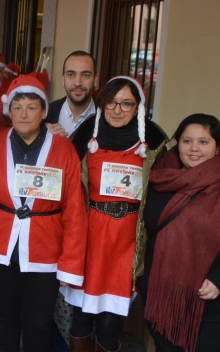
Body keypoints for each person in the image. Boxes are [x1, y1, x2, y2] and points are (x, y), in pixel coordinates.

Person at [0, 74, 87, 351]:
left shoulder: (64, 150)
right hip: (2, 248)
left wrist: (71, 263)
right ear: (9, 110)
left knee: (38, 323)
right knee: (6, 320)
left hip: (46, 251)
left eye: (32, 107)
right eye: (17, 107)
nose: (23, 114)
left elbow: (75, 211)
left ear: (44, 111)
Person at [139, 114, 220, 352]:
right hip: (161, 298)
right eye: (187, 141)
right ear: (178, 144)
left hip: (212, 306)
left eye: (203, 142)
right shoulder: (161, 179)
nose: (194, 149)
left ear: (217, 148)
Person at [64, 76, 168, 352]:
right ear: (102, 104)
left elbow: (171, 183)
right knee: (82, 316)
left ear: (138, 107)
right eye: (111, 102)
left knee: (111, 321)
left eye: (126, 103)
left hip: (128, 240)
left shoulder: (155, 144)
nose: (117, 109)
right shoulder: (85, 136)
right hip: (90, 235)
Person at [45, 50, 97, 138]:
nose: (78, 83)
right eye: (71, 74)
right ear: (63, 79)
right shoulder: (46, 114)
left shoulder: (107, 116)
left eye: (85, 75)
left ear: (95, 80)